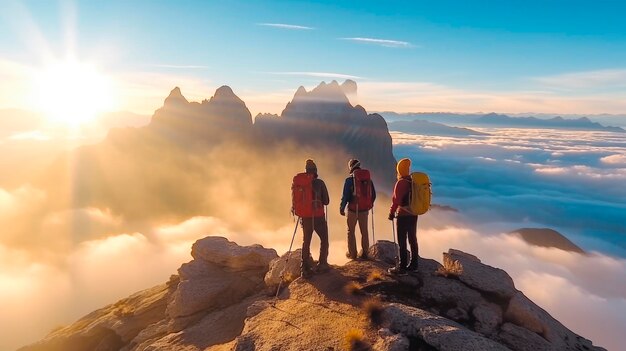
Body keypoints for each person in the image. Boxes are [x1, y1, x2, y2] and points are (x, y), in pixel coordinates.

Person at [299, 159, 330, 278]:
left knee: (306, 241)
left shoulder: (301, 184)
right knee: (324, 239)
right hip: (318, 217)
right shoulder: (320, 183)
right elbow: (326, 201)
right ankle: (322, 264)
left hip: (306, 218)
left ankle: (304, 268)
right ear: (316, 171)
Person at [340, 159, 376, 260]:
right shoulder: (368, 179)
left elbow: (345, 196)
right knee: (364, 231)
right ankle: (365, 253)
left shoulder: (349, 180)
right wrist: (369, 205)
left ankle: (353, 254)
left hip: (352, 209)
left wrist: (342, 208)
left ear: (351, 167)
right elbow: (373, 195)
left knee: (351, 231)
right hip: (364, 210)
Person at [388, 158, 419, 275]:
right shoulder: (412, 181)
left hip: (403, 215)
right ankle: (414, 264)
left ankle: (402, 267)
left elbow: (396, 200)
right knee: (413, 239)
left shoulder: (400, 183)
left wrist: (391, 213)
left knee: (402, 241)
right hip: (414, 214)